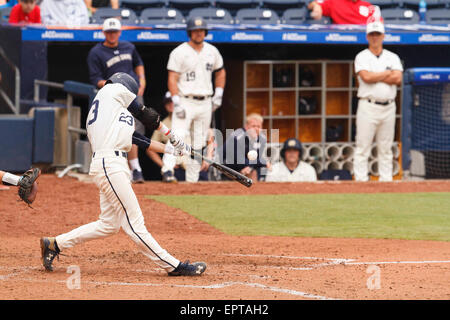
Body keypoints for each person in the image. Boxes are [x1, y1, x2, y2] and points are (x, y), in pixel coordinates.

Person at [39, 72, 207, 277]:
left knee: (108, 224)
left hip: (111, 164)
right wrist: (171, 134)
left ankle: (55, 244)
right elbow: (147, 115)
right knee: (135, 224)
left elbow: (138, 140)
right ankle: (173, 266)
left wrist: (174, 149)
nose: (132, 100)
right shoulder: (112, 90)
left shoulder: (109, 112)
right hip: (110, 165)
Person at [165, 16, 226, 183]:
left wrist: (219, 92)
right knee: (177, 135)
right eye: (195, 30)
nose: (198, 33)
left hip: (205, 100)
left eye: (201, 30)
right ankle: (167, 170)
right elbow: (172, 77)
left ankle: (192, 178)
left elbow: (220, 71)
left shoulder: (212, 51)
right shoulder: (179, 51)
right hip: (185, 99)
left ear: (205, 32)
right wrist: (176, 101)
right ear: (189, 32)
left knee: (198, 141)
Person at [87, 17, 147, 183]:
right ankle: (125, 170)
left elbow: (138, 63)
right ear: (104, 33)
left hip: (133, 93)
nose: (112, 35)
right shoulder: (96, 53)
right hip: (113, 97)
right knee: (119, 131)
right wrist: (115, 86)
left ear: (119, 32)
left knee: (135, 129)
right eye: (109, 32)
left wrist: (142, 80)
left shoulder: (129, 46)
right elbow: (96, 80)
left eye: (115, 32)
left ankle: (136, 168)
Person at [353, 20, 403, 182]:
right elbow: (366, 78)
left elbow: (398, 78)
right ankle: (360, 181)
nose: (375, 37)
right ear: (367, 36)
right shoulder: (362, 56)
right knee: (363, 147)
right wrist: (386, 73)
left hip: (388, 106)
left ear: (383, 36)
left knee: (386, 147)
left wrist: (377, 75)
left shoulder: (392, 56)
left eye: (378, 34)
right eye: (372, 34)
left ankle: (386, 181)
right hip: (368, 105)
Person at [221, 113, 270, 181]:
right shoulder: (236, 137)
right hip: (227, 169)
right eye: (253, 126)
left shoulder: (262, 138)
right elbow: (239, 160)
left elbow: (256, 157)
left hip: (246, 167)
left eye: (259, 126)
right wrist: (263, 162)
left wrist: (250, 167)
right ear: (246, 127)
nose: (256, 128)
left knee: (254, 171)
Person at [307, 0, 378, 24]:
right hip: (342, 39)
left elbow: (379, 22)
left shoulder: (367, 5)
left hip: (365, 40)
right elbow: (311, 4)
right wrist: (316, 6)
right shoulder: (335, 3)